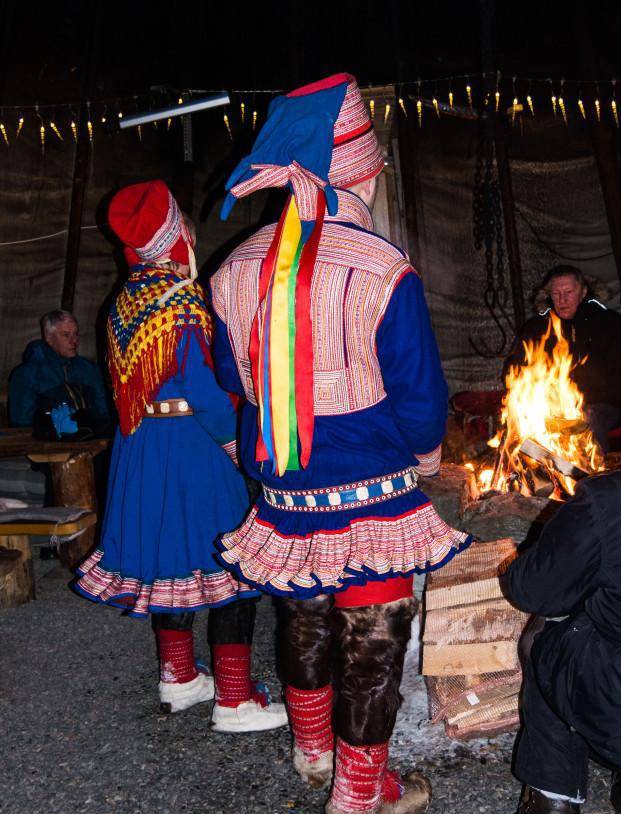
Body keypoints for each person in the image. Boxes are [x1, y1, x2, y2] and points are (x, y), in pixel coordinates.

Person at [210, 73, 471, 813]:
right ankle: (361, 794)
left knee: (303, 615)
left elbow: (236, 377)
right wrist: (423, 460)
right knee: (372, 638)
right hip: (371, 490)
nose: (381, 167)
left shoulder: (230, 268)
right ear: (352, 169)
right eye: (374, 157)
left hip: (287, 489)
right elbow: (420, 397)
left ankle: (312, 756)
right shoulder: (382, 265)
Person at [73, 180, 287, 732]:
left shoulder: (124, 300)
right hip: (191, 447)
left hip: (141, 447)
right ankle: (235, 700)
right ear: (176, 240)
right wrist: (239, 443)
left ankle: (179, 676)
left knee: (169, 562)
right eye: (188, 230)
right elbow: (204, 389)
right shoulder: (183, 302)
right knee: (231, 564)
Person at [503, 470, 621, 814]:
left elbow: (531, 590)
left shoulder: (607, 499)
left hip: (613, 714)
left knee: (546, 630)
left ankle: (551, 795)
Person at [503, 266, 621, 451]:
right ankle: (542, 474)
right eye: (556, 293)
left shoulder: (608, 323)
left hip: (602, 404)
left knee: (589, 420)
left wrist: (580, 401)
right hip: (552, 406)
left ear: (583, 292)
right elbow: (513, 368)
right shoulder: (536, 328)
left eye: (568, 292)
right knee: (525, 422)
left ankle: (593, 476)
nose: (562, 299)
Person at [9, 310, 110, 432]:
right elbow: (22, 426)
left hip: (90, 443)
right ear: (49, 338)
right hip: (47, 447)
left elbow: (103, 414)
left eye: (76, 334)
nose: (74, 341)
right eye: (66, 335)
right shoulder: (27, 375)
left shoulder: (89, 370)